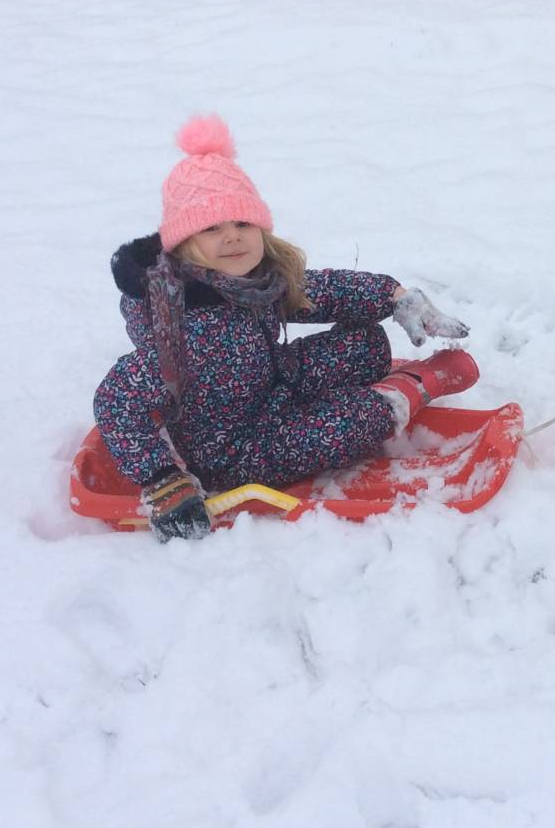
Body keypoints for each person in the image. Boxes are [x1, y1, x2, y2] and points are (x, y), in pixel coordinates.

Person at [94, 114, 477, 541]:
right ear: (183, 244)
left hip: (273, 381)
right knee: (364, 416)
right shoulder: (180, 328)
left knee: (368, 343)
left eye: (242, 224)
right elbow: (116, 400)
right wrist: (162, 479)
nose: (232, 237)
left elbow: (319, 290)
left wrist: (394, 297)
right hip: (235, 449)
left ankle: (369, 386)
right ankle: (406, 391)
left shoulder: (248, 282)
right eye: (212, 229)